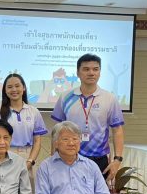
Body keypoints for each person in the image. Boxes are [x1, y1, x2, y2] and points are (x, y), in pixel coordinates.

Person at [51, 53, 125, 183]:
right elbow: (56, 131)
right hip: (69, 155)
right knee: (68, 192)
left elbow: (117, 130)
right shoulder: (65, 97)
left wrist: (117, 160)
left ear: (99, 72)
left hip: (99, 158)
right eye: (86, 69)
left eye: (95, 69)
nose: (91, 73)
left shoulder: (109, 98)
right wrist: (53, 157)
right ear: (78, 73)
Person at [0, 73, 47, 194]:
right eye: (9, 87)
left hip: (28, 156)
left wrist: (30, 161)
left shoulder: (33, 111)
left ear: (24, 88)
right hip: (5, 156)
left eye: (17, 86)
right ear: (5, 90)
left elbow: (37, 141)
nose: (14, 90)